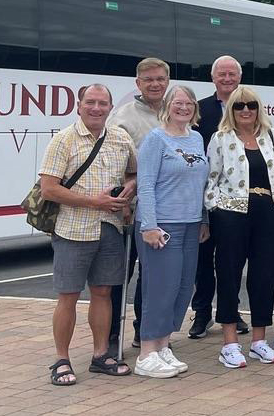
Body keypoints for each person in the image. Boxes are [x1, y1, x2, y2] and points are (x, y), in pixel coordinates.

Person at [41, 84, 137, 385]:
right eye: (91, 102)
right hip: (73, 230)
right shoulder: (63, 140)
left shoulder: (121, 138)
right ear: (79, 106)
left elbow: (132, 173)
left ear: (110, 108)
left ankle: (100, 355)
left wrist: (128, 191)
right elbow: (49, 189)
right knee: (68, 296)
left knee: (103, 292)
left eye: (103, 103)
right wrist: (95, 201)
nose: (97, 108)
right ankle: (61, 360)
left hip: (110, 229)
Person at [204, 86, 274, 368]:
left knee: (265, 275)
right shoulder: (220, 139)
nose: (246, 110)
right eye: (239, 106)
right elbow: (211, 179)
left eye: (252, 105)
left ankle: (259, 341)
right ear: (231, 110)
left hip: (267, 212)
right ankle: (230, 344)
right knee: (229, 274)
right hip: (232, 214)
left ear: (259, 109)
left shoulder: (270, 136)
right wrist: (218, 209)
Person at [132, 85, 208, 378]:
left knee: (182, 288)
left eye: (189, 103)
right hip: (162, 224)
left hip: (191, 224)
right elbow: (146, 184)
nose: (184, 107)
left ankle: (163, 346)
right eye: (178, 102)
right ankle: (146, 352)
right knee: (159, 289)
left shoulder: (197, 138)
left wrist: (204, 220)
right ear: (168, 106)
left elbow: (199, 184)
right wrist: (149, 226)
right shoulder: (156, 139)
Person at [107, 57, 170, 353]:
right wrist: (126, 198)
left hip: (163, 211)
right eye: (149, 80)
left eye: (160, 78)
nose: (155, 84)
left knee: (152, 277)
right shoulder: (123, 117)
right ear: (138, 84)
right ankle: (110, 337)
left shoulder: (175, 114)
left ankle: (143, 331)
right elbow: (112, 164)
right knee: (120, 275)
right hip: (129, 210)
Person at [190, 55, 248, 339]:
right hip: (204, 198)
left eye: (232, 74)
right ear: (213, 78)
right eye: (222, 74)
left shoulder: (249, 108)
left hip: (235, 202)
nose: (227, 79)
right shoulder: (200, 111)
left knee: (231, 260)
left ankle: (231, 312)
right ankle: (201, 314)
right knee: (203, 260)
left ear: (239, 77)